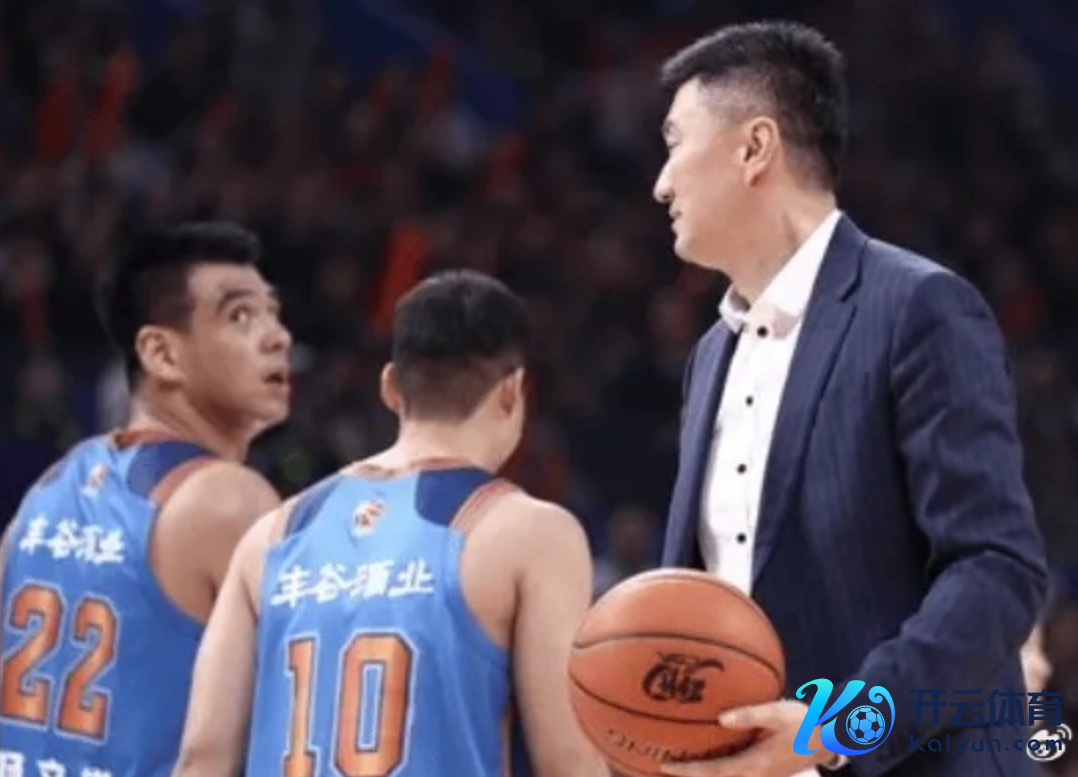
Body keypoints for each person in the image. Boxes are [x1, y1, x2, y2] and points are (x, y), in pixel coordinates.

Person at [650, 21, 1049, 777]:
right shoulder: (708, 357)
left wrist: (836, 729)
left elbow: (997, 567)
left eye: (674, 142)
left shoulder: (918, 307)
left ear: (755, 147)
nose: (661, 184)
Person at [172, 269, 607, 777]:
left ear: (390, 387)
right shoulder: (530, 534)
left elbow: (202, 758)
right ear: (512, 391)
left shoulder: (271, 535)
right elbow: (569, 762)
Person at [0, 222, 291, 777]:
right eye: (240, 316)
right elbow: (299, 724)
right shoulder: (228, 500)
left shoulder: (50, 487)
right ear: (161, 353)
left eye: (274, 314)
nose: (278, 337)